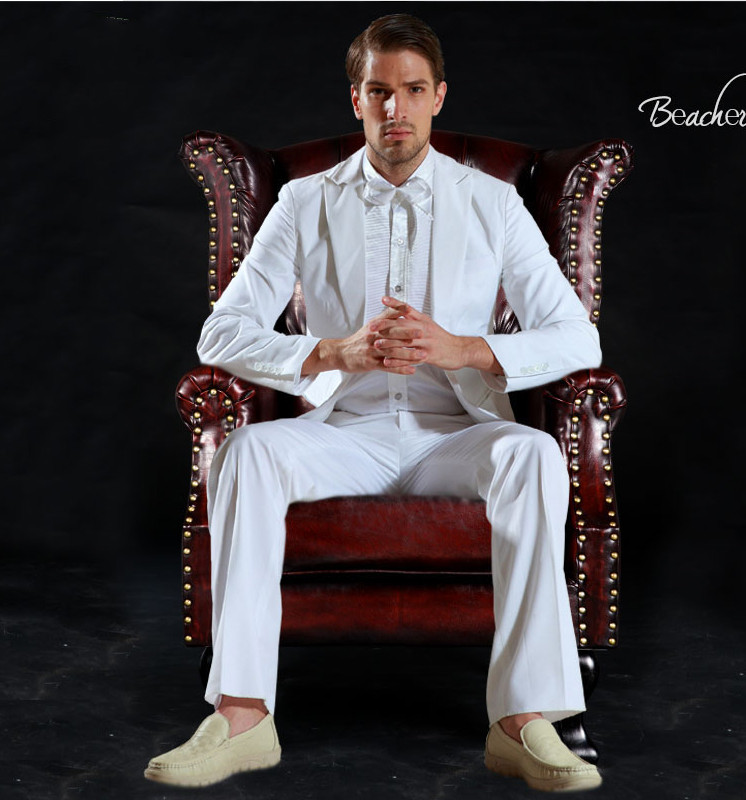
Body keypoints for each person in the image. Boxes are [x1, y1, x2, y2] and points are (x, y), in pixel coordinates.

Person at [145, 13, 604, 793]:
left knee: (531, 454)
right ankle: (244, 717)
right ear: (356, 99)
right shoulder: (303, 200)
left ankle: (522, 723)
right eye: (380, 91)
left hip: (453, 436)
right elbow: (221, 332)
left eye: (413, 91)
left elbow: (577, 338)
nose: (397, 109)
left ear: (438, 97)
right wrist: (333, 353)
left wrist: (463, 348)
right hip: (343, 431)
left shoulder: (493, 202)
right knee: (248, 454)